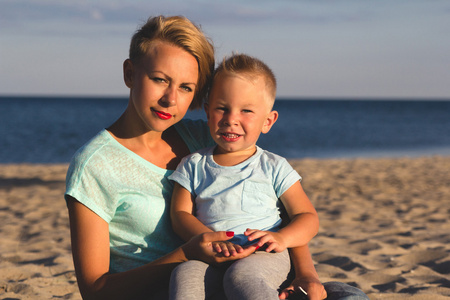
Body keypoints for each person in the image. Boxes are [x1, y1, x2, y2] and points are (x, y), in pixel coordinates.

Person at [65, 15, 368, 300]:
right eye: (159, 79)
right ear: (130, 73)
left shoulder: (204, 138)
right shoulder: (94, 165)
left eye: (186, 88)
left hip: (245, 274)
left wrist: (306, 273)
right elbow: (95, 291)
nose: (171, 99)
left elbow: (280, 207)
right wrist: (187, 254)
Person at [168, 53, 320, 299]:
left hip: (261, 253)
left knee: (242, 277)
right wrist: (206, 240)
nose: (231, 120)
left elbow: (307, 216)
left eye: (246, 111)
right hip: (210, 252)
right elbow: (179, 215)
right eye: (222, 108)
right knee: (184, 274)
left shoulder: (273, 166)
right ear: (207, 112)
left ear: (268, 121)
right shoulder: (193, 164)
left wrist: (281, 238)